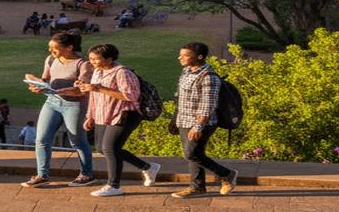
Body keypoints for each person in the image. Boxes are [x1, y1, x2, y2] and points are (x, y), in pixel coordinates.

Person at [76, 43, 160, 197]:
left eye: (96, 59)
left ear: (109, 59)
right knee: (102, 148)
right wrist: (90, 116)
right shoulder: (98, 72)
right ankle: (147, 167)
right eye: (91, 58)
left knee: (109, 148)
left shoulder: (123, 73)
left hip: (124, 114)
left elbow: (130, 96)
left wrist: (98, 88)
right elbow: (94, 96)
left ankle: (113, 185)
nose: (92, 62)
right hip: (103, 115)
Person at [20, 31, 96, 189]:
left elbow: (83, 90)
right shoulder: (51, 59)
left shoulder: (83, 64)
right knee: (41, 139)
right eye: (49, 47)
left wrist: (58, 91)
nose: (50, 51)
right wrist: (36, 85)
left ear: (69, 47)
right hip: (52, 102)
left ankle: (86, 174)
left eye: (54, 48)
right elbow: (46, 80)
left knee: (77, 141)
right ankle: (42, 175)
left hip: (74, 105)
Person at [171, 42, 239, 198]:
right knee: (194, 154)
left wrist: (199, 127)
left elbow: (208, 105)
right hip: (184, 120)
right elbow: (182, 98)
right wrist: (176, 119)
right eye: (180, 54)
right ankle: (197, 187)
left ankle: (227, 174)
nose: (179, 57)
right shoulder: (186, 71)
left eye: (185, 55)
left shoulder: (209, 77)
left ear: (199, 57)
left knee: (191, 154)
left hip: (202, 123)